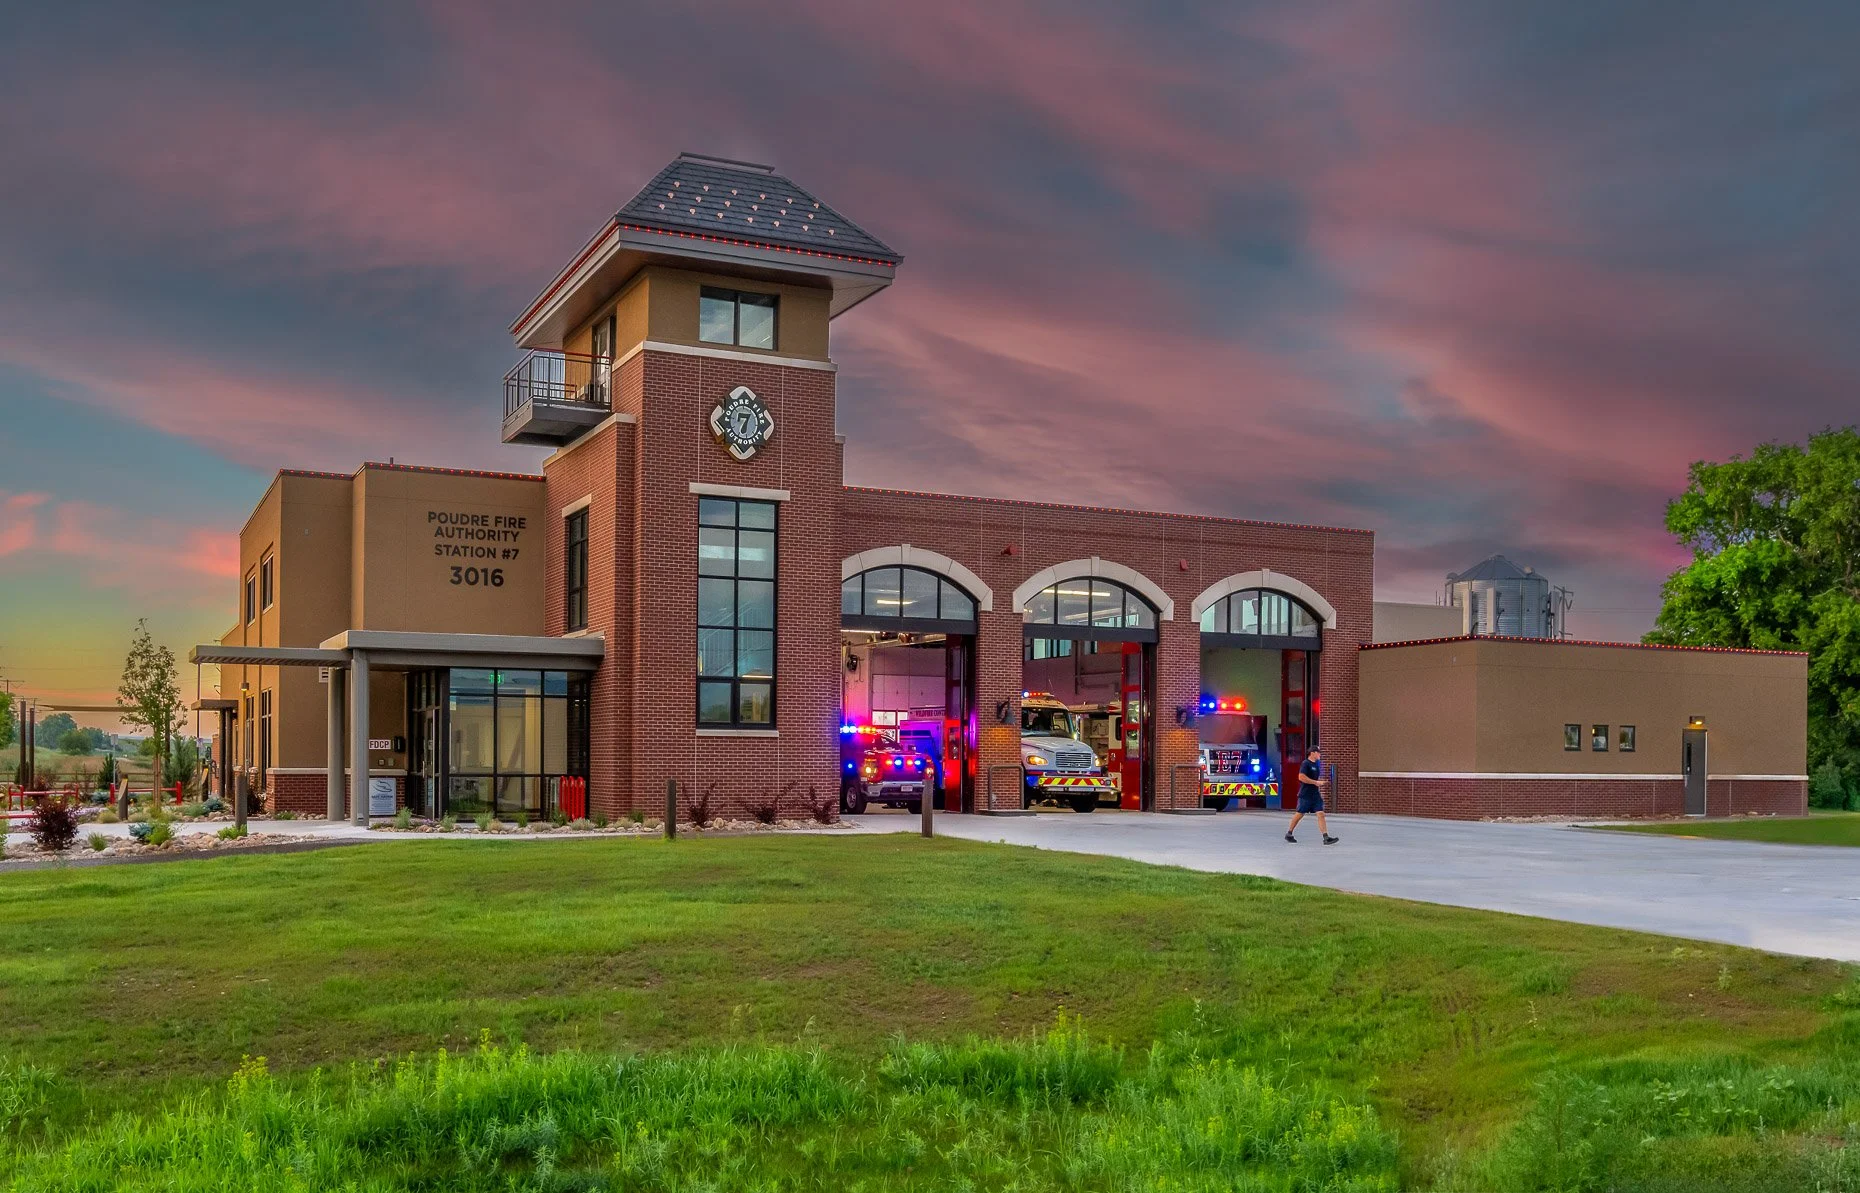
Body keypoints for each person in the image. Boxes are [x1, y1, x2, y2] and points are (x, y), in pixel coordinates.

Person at [1285, 747, 1338, 845]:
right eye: (1318, 753)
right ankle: (1289, 833)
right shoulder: (1306, 764)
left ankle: (1326, 837)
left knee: (1321, 814)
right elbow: (1301, 777)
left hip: (1315, 794)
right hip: (1306, 794)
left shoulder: (1316, 765)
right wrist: (1315, 782)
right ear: (1312, 753)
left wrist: (1320, 782)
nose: (1320, 755)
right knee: (1300, 814)